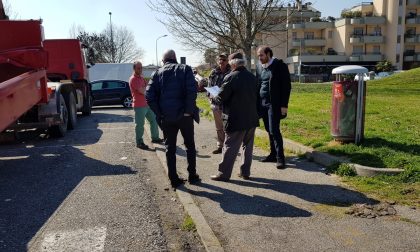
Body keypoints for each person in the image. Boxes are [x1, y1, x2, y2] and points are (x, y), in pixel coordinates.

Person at [146, 50, 201, 189]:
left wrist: (160, 114)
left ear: (163, 61)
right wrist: (188, 111)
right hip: (185, 116)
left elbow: (149, 96)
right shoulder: (185, 69)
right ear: (175, 58)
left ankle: (174, 179)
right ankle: (192, 176)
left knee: (170, 148)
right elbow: (192, 91)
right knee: (190, 146)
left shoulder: (157, 73)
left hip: (167, 117)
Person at [210, 52, 259, 181]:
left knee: (230, 146)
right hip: (251, 117)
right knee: (247, 147)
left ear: (232, 63)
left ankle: (223, 174)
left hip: (235, 118)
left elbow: (221, 98)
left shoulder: (230, 77)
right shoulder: (252, 77)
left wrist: (214, 94)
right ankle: (245, 172)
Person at [256, 46, 291, 169]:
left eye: (261, 55)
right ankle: (272, 154)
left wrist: (284, 105)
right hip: (263, 103)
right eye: (258, 56)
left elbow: (286, 86)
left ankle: (280, 158)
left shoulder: (279, 65)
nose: (259, 58)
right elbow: (258, 83)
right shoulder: (260, 67)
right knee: (268, 129)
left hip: (274, 104)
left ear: (268, 54)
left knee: (274, 130)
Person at [129, 61, 163, 150]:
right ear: (134, 69)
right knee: (140, 124)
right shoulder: (133, 79)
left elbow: (146, 88)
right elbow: (143, 91)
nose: (140, 69)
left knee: (154, 119)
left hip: (147, 104)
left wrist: (147, 88)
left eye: (141, 68)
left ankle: (155, 138)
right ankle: (139, 142)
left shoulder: (141, 78)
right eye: (138, 68)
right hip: (139, 105)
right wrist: (147, 88)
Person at [207, 53, 231, 154]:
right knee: (219, 127)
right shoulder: (213, 72)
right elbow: (209, 86)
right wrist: (210, 96)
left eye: (224, 60)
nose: (221, 62)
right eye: (220, 60)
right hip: (216, 104)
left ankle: (229, 146)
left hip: (227, 104)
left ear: (228, 61)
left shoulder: (231, 72)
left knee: (228, 127)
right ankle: (220, 146)